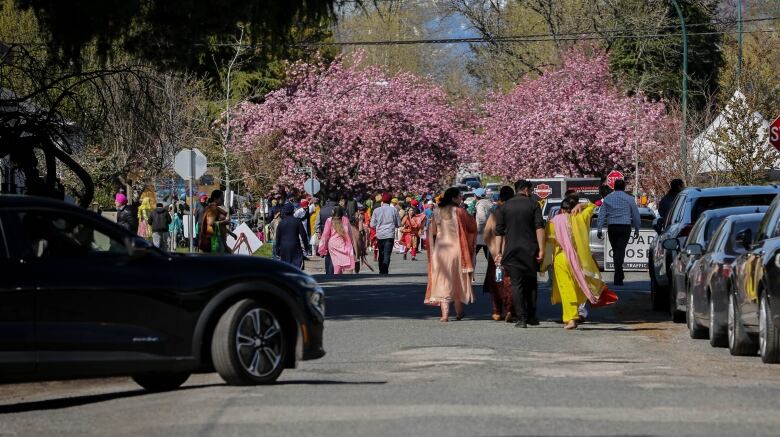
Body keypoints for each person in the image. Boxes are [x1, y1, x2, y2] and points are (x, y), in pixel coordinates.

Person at [545, 197, 607, 329]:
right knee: (578, 285)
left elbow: (549, 242)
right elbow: (593, 206)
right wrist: (582, 205)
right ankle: (576, 312)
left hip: (561, 257)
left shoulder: (554, 221)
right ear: (574, 207)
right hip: (579, 258)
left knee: (566, 287)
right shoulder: (582, 216)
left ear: (561, 210)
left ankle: (571, 318)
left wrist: (545, 262)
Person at [494, 180, 545, 328]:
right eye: (531, 189)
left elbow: (499, 232)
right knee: (531, 283)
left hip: (511, 251)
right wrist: (541, 249)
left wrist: (498, 252)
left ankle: (521, 318)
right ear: (526, 190)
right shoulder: (534, 204)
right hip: (530, 250)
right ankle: (531, 316)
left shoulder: (504, 207)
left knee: (517, 284)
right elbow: (539, 228)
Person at [424, 187, 477, 322]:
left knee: (442, 279)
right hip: (457, 249)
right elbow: (472, 228)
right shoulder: (460, 212)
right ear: (453, 198)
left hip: (440, 249)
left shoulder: (437, 211)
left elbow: (434, 232)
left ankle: (445, 314)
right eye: (459, 197)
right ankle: (459, 313)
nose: (461, 199)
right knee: (457, 279)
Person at [597, 179, 640, 286]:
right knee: (620, 250)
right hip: (625, 227)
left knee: (616, 250)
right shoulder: (629, 199)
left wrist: (599, 228)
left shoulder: (607, 198)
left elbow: (601, 215)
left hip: (612, 227)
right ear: (624, 187)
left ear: (614, 187)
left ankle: (618, 274)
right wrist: (637, 228)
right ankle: (618, 275)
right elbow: (635, 214)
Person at [483, 186, 515, 322]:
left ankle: (496, 311)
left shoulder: (495, 213)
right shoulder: (514, 212)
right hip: (511, 251)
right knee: (510, 281)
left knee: (496, 281)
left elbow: (486, 233)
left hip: (495, 252)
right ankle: (509, 309)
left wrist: (493, 249)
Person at [318, 206, 356, 275]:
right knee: (343, 260)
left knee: (336, 262)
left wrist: (322, 248)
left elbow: (325, 235)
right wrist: (350, 244)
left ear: (333, 212)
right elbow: (349, 233)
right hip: (342, 243)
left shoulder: (329, 220)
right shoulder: (345, 220)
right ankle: (339, 274)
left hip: (332, 244)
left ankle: (336, 275)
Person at [371, 192, 401, 275]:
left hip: (380, 234)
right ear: (390, 201)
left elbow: (372, 225)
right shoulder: (394, 210)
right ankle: (385, 270)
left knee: (381, 252)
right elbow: (398, 224)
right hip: (389, 234)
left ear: (382, 201)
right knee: (387, 253)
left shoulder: (376, 210)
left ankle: (381, 270)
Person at [198, 190, 234, 254]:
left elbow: (218, 223)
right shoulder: (212, 208)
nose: (223, 200)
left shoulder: (212, 208)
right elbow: (210, 223)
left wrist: (231, 233)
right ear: (215, 199)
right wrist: (224, 222)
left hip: (212, 241)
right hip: (212, 242)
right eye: (221, 198)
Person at [275, 203, 308, 269]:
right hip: (295, 246)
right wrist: (306, 246)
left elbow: (278, 237)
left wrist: (277, 249)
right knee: (296, 264)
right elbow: (303, 235)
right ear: (293, 210)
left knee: (286, 266)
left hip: (284, 247)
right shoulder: (297, 221)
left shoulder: (281, 223)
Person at [315, 192, 340, 275]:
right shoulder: (340, 209)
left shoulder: (322, 209)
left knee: (327, 254)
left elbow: (317, 223)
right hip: (337, 235)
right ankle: (333, 272)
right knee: (335, 254)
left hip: (325, 235)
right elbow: (345, 222)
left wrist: (318, 232)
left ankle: (328, 272)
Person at [474, 188, 493, 262]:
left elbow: (482, 219)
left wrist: (478, 230)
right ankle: (489, 273)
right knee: (488, 256)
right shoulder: (489, 203)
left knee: (475, 255)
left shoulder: (480, 204)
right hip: (490, 233)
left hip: (481, 234)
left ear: (476, 196)